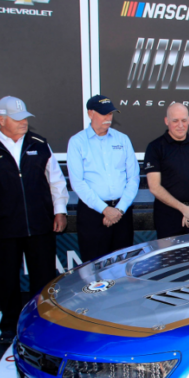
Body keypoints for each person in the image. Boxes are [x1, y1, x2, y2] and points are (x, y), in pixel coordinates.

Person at [0, 96, 69, 344]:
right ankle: (10, 326)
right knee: (6, 279)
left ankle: (43, 323)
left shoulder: (39, 143)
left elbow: (56, 181)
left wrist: (60, 210)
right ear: (2, 120)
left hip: (40, 225)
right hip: (2, 227)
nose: (24, 122)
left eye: (25, 118)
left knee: (44, 279)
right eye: (17, 118)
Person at [66, 95, 139, 261]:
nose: (108, 118)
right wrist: (105, 210)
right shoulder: (77, 142)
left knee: (123, 266)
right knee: (94, 268)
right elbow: (78, 183)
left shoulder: (122, 139)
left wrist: (119, 210)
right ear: (90, 113)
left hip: (122, 212)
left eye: (110, 114)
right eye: (103, 114)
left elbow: (133, 177)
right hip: (93, 214)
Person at [143, 103, 189, 239]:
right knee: (168, 259)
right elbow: (154, 187)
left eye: (184, 120)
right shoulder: (155, 147)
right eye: (175, 121)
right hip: (167, 216)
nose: (180, 125)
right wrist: (184, 209)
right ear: (166, 121)